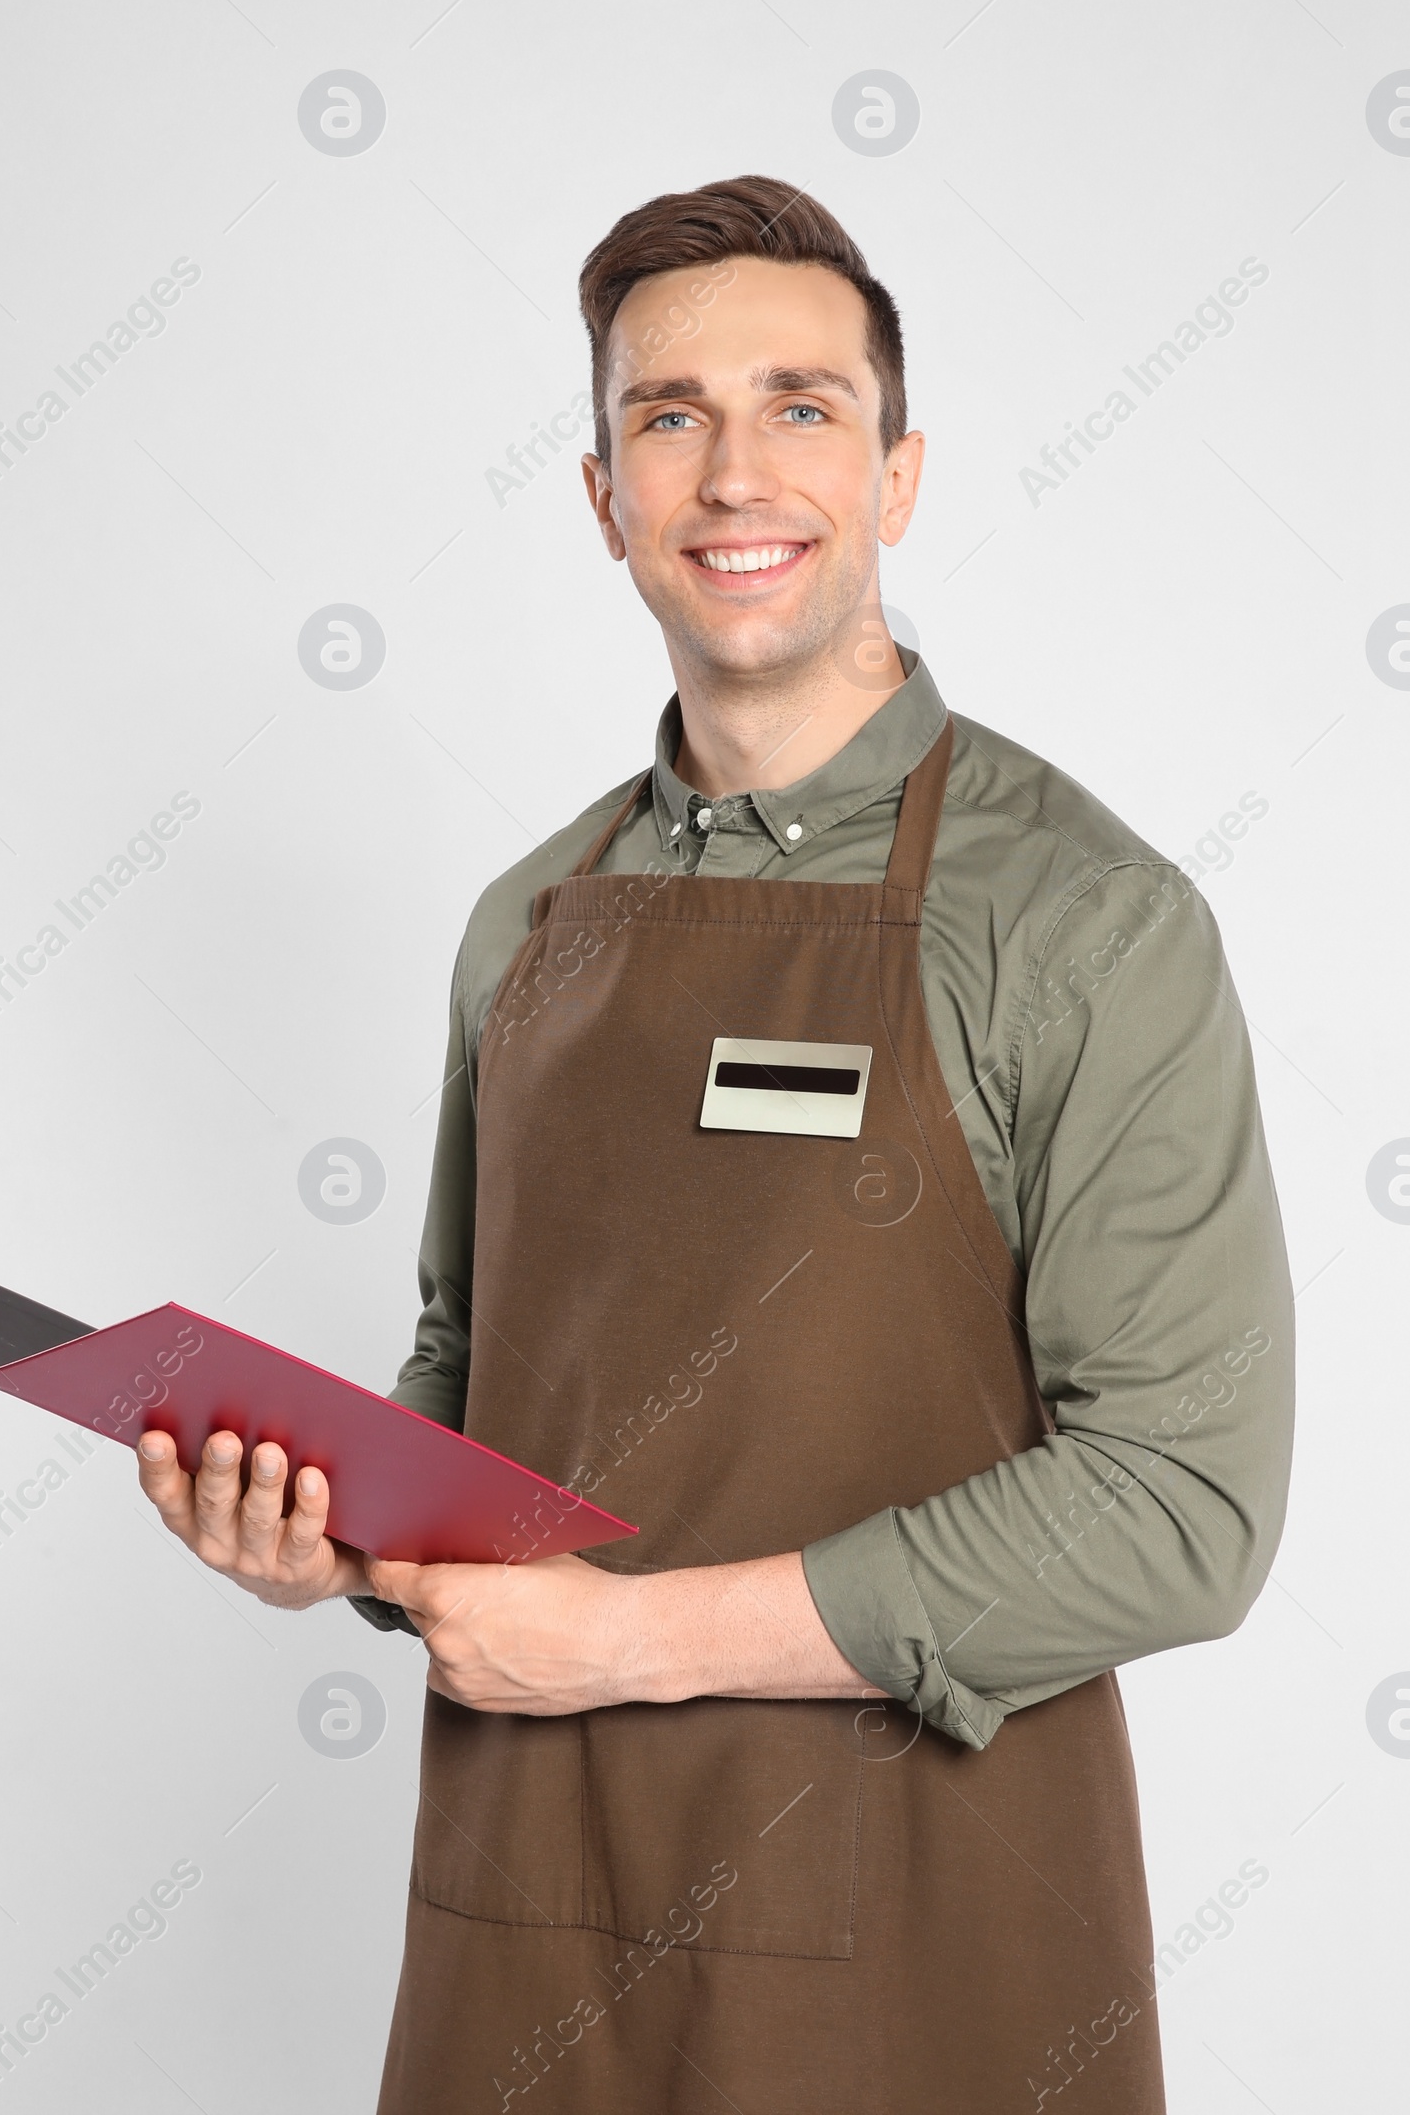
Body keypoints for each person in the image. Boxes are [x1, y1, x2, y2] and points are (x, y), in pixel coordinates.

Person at [137, 175, 1294, 2110]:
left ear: (899, 477)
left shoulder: (1086, 923)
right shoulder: (530, 922)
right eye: (668, 417)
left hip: (923, 1943)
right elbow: (470, 1383)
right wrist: (320, 1540)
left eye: (802, 407)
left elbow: (1184, 1512)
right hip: (534, 1922)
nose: (734, 473)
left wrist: (627, 1644)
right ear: (606, 499)